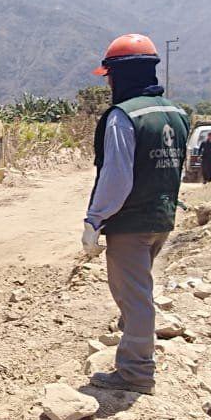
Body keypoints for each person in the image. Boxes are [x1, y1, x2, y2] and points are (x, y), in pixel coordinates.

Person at [81, 33, 189, 394]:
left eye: (109, 75)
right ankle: (135, 347)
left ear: (120, 75)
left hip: (130, 223)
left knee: (134, 296)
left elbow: (116, 177)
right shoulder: (174, 113)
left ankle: (136, 373)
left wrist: (94, 220)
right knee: (136, 291)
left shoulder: (123, 117)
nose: (109, 82)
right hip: (162, 217)